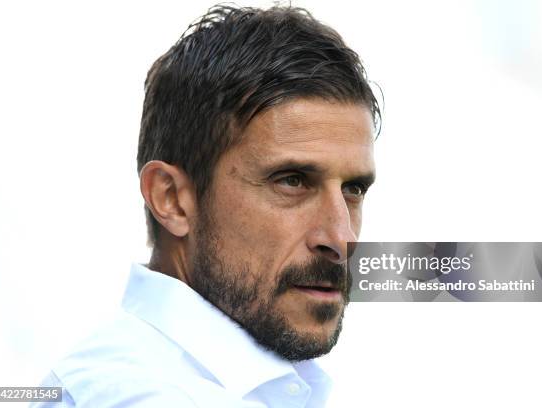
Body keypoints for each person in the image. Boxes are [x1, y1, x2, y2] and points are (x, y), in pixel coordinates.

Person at [33, 4, 380, 407]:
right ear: (172, 200)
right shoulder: (136, 394)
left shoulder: (252, 384)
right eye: (292, 181)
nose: (341, 237)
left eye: (353, 189)